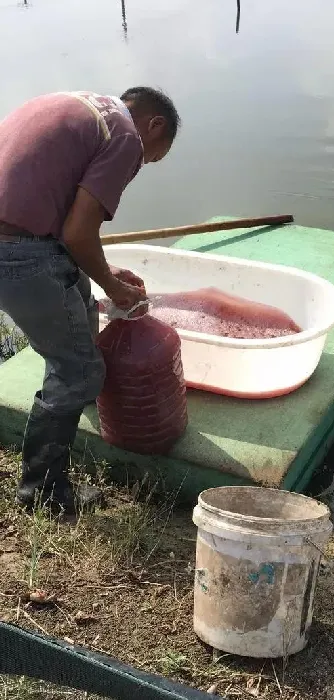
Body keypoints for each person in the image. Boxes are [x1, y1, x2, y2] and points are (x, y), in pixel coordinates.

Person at [0, 87, 180, 514]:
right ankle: (42, 494)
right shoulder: (125, 136)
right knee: (78, 370)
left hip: (22, 238)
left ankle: (60, 440)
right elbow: (79, 232)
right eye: (155, 156)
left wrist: (102, 273)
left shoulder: (76, 104)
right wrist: (115, 288)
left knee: (84, 311)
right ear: (154, 125)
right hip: (18, 252)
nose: (144, 163)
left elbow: (56, 219)